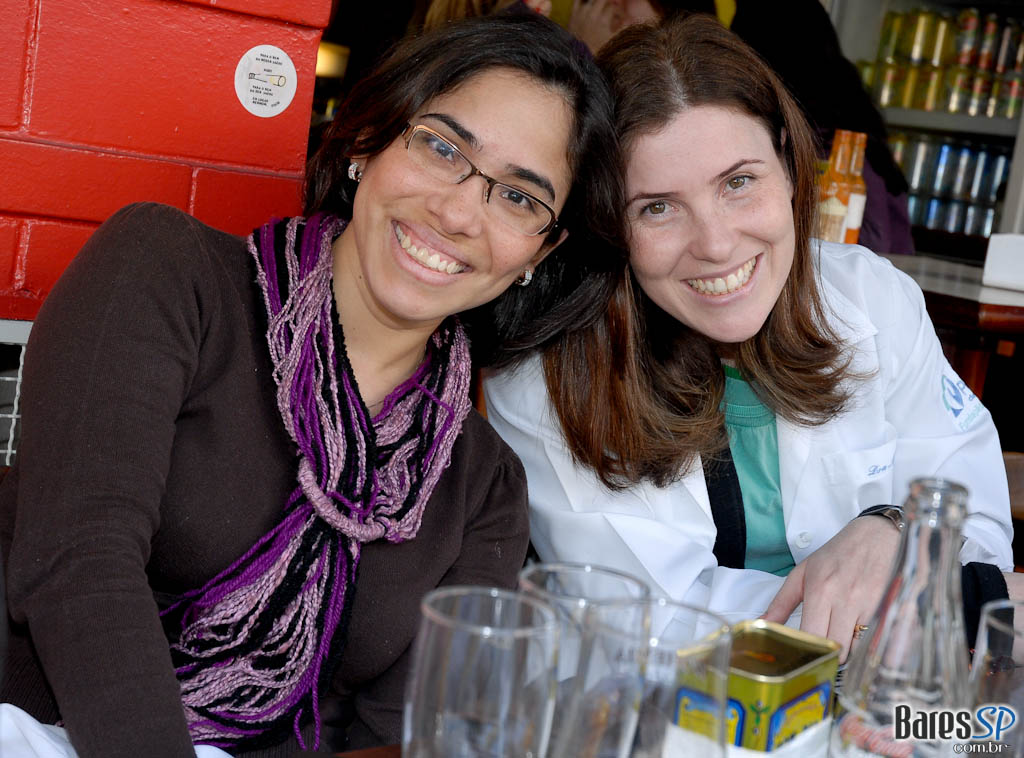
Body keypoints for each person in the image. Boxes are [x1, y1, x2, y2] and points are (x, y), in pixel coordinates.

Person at [0, 13, 620, 758]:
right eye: (441, 147)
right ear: (368, 141)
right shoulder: (168, 276)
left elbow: (408, 734)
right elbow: (77, 565)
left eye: (519, 197)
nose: (458, 212)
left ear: (539, 253)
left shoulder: (482, 485)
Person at [483, 13, 1013, 664]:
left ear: (788, 166)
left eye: (738, 182)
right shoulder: (545, 372)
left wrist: (892, 527)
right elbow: (650, 622)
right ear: (607, 221)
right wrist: (926, 598)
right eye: (657, 207)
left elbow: (977, 521)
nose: (715, 244)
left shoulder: (873, 297)